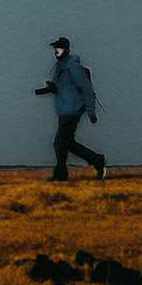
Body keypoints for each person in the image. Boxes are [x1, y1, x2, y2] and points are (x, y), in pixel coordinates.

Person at [35, 36, 106, 181]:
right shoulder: (60, 68)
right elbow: (65, 88)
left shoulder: (73, 67)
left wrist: (91, 111)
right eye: (55, 48)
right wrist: (52, 88)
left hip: (72, 110)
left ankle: (61, 174)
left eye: (59, 48)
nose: (56, 51)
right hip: (64, 110)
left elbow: (86, 88)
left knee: (60, 142)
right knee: (67, 143)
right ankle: (97, 160)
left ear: (66, 49)